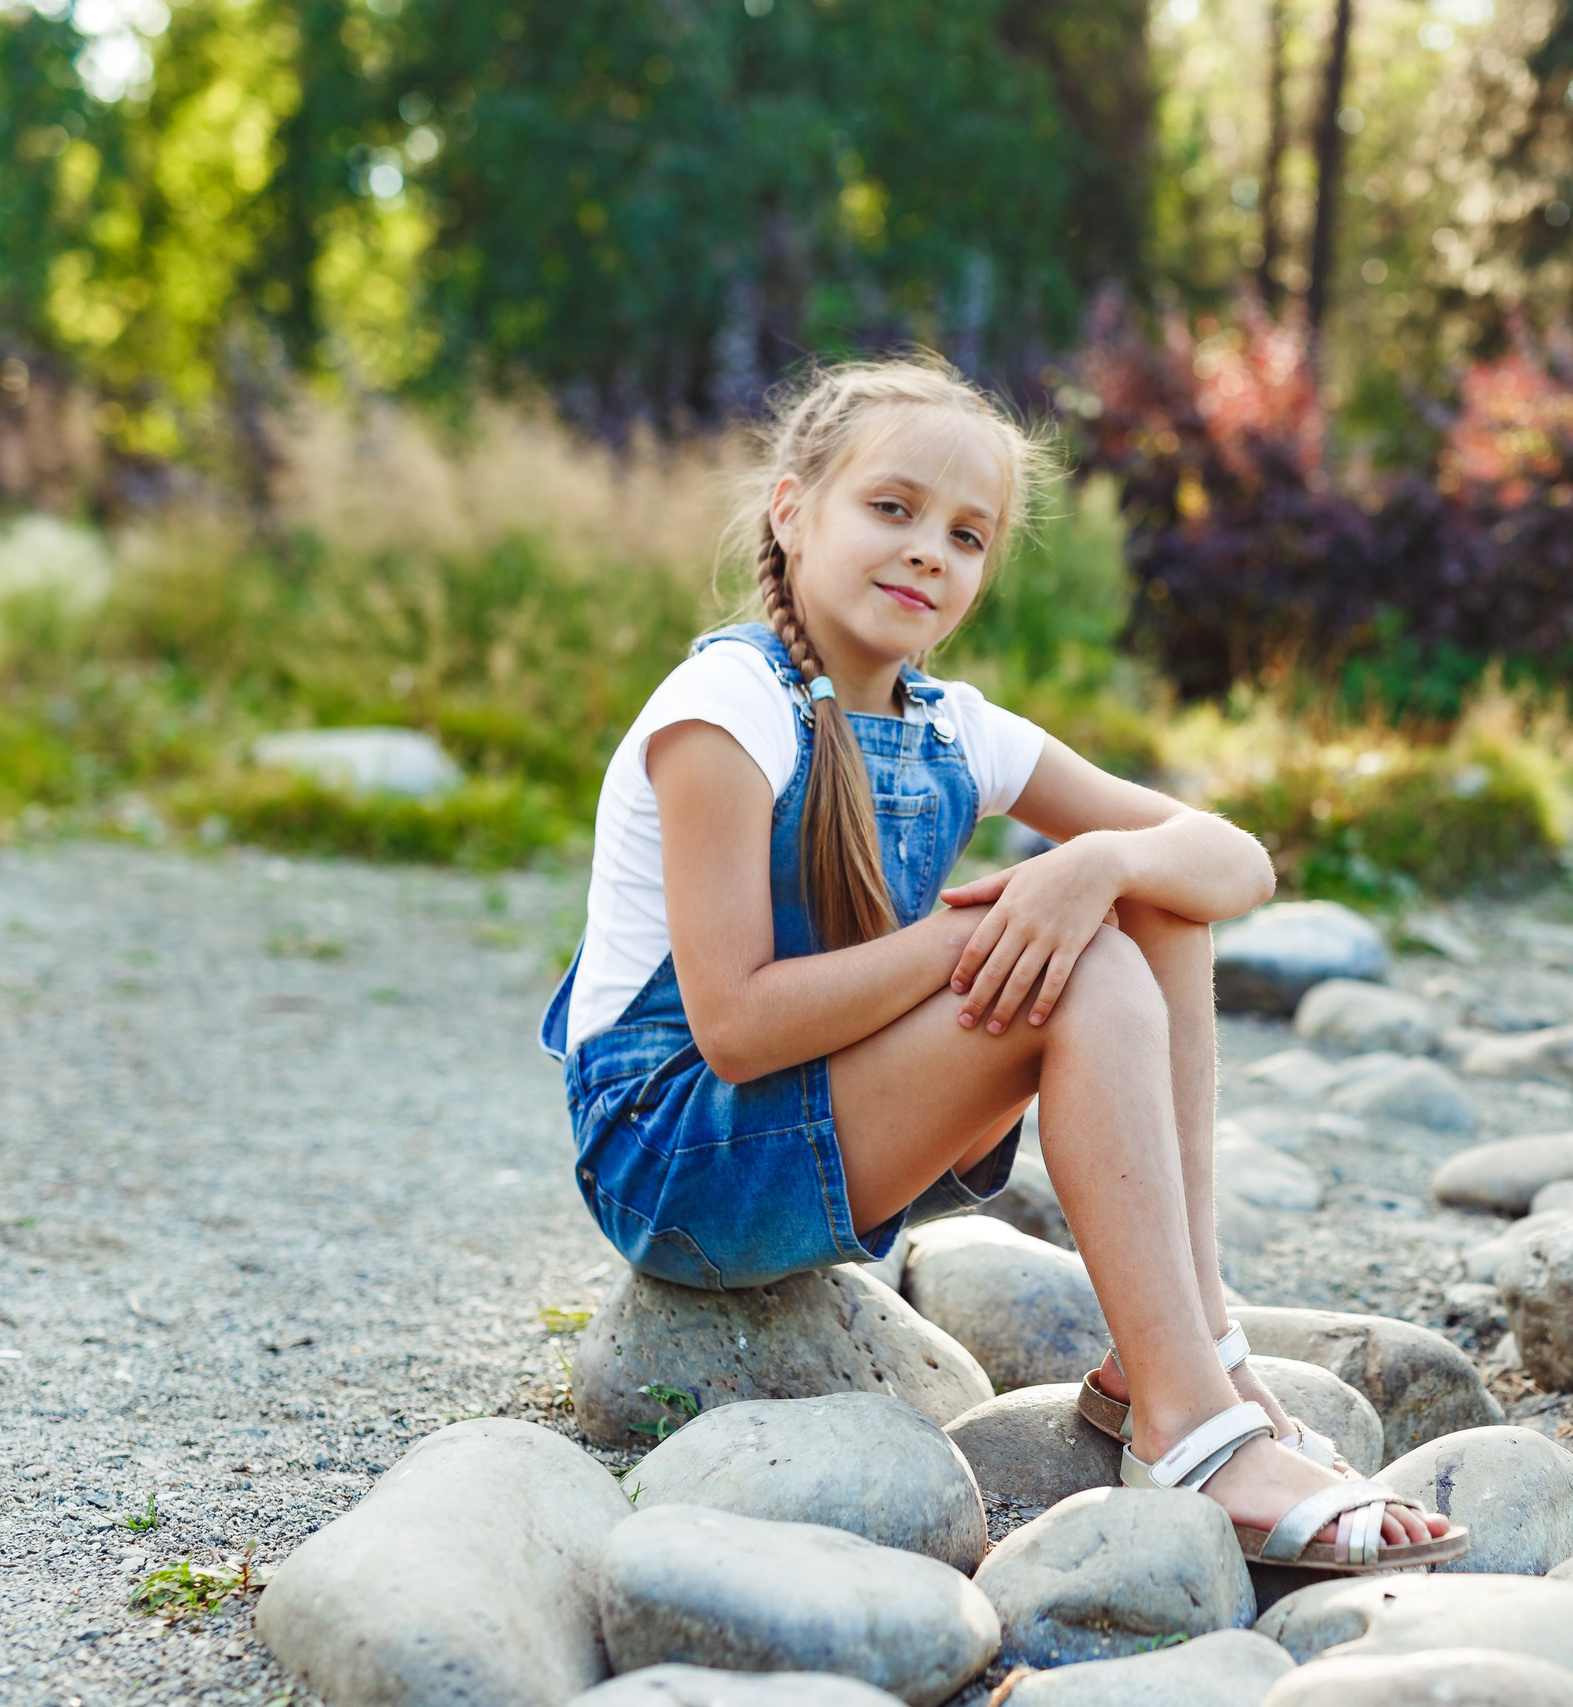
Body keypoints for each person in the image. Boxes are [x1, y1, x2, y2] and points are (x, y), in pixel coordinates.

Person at [539, 355, 1462, 1573]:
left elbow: (1235, 864)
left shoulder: (952, 725)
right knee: (1084, 966)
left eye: (966, 536)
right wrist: (962, 936)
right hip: (678, 1155)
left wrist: (1102, 865)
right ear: (791, 511)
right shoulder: (725, 710)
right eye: (892, 508)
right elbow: (737, 1030)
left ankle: (1181, 1349)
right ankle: (1189, 1420)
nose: (929, 551)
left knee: (1152, 905)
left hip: (815, 1117)